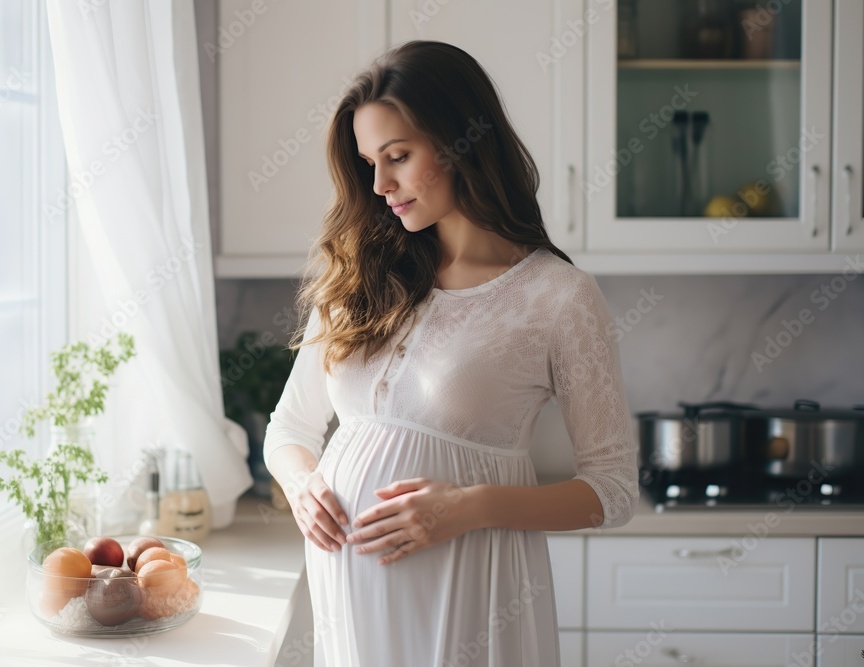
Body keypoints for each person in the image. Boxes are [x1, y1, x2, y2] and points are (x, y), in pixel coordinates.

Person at [262, 40, 638, 667]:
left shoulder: (556, 297)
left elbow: (615, 491)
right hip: (349, 607)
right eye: (369, 163)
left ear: (462, 141)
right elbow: (289, 429)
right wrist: (303, 485)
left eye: (399, 157)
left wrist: (471, 506)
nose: (380, 185)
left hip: (472, 596)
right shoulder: (358, 274)